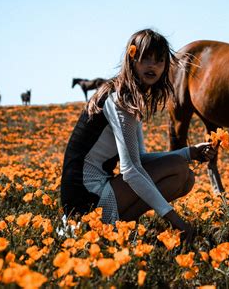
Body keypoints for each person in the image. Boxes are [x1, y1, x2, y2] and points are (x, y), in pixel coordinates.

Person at [60, 28, 215, 241]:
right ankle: (111, 227)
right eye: (145, 59)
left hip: (88, 198)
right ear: (132, 59)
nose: (153, 66)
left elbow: (139, 159)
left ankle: (116, 227)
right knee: (178, 170)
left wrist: (188, 153)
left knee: (185, 177)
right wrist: (177, 222)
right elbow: (131, 170)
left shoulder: (126, 95)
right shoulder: (120, 100)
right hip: (87, 200)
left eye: (159, 61)